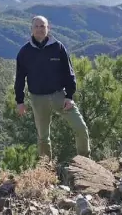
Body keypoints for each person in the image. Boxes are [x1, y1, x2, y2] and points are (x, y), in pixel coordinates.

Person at [14, 15, 91, 160]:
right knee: (43, 137)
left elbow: (69, 73)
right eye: (36, 26)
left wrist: (69, 96)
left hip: (59, 96)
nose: (39, 29)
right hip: (38, 99)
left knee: (80, 127)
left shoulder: (58, 47)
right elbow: (19, 79)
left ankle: (85, 162)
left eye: (42, 26)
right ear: (31, 29)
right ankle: (46, 167)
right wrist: (20, 101)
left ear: (48, 28)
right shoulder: (24, 52)